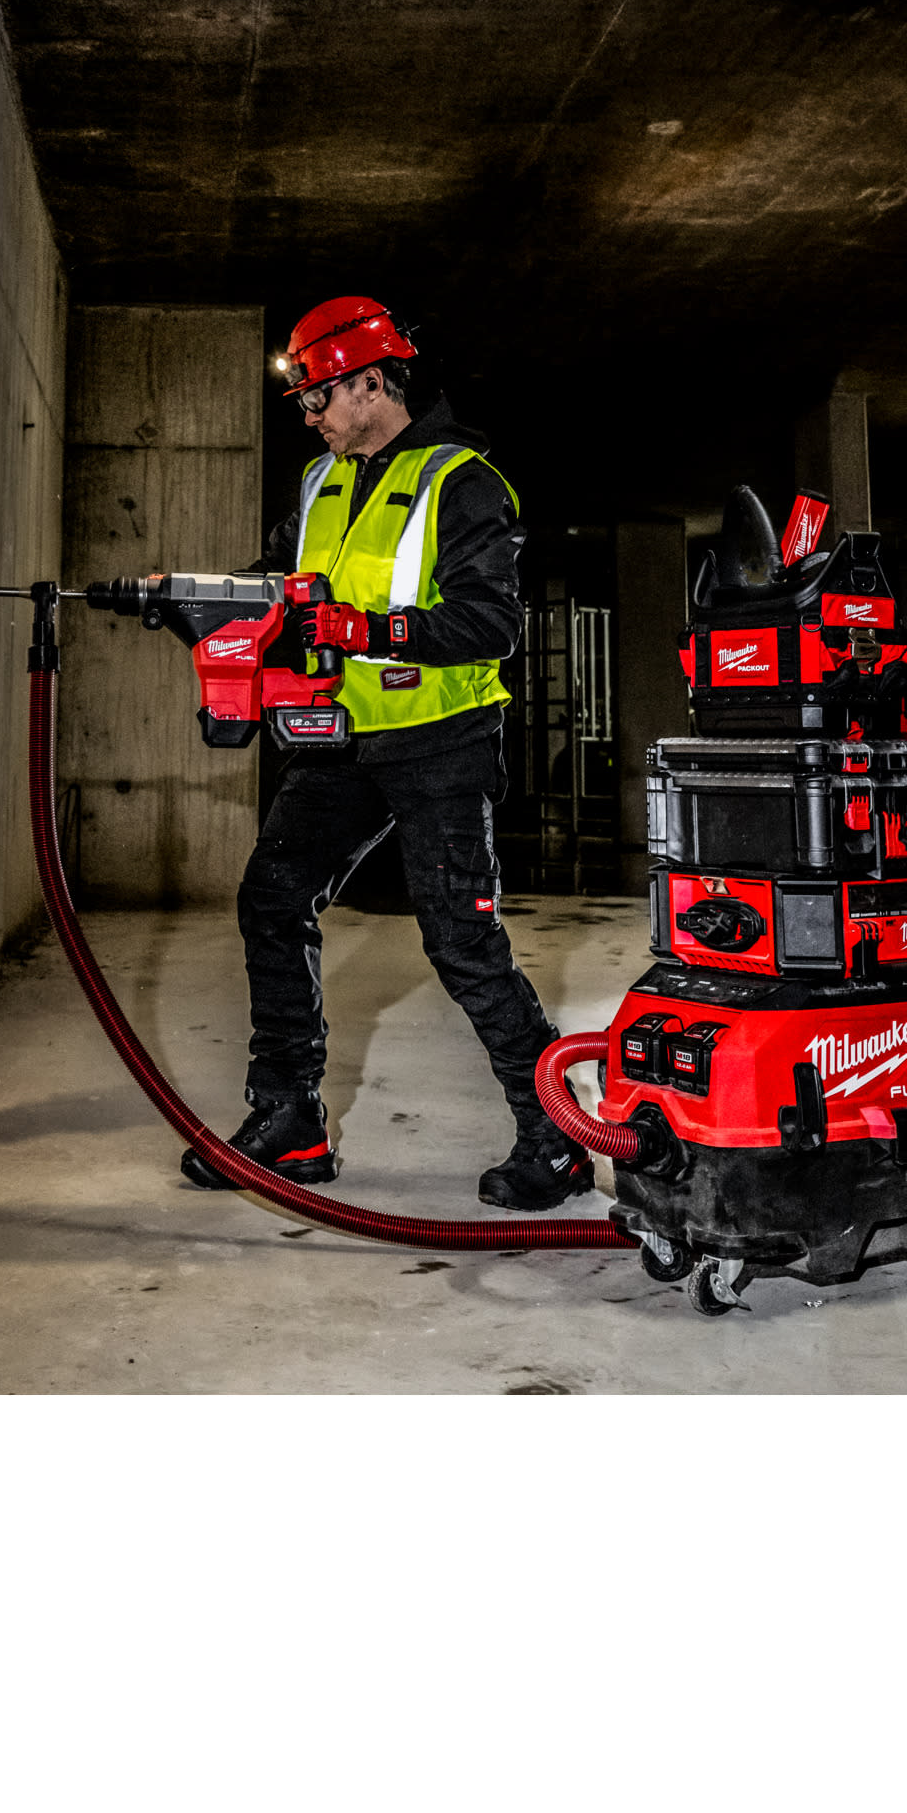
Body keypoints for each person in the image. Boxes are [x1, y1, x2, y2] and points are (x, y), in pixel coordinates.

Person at [180, 296, 594, 1211]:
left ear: (372, 383)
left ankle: (557, 1140)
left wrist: (366, 628)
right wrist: (198, 598)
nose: (310, 416)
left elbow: (490, 626)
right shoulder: (320, 483)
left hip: (441, 744)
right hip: (341, 739)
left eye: (319, 396)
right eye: (305, 401)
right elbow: (281, 582)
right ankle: (288, 1120)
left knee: (461, 942)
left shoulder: (465, 482)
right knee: (273, 898)